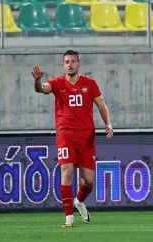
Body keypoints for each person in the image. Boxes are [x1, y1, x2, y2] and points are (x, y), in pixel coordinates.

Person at [31, 50, 113, 227]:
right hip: (65, 134)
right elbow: (41, 89)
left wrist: (108, 124)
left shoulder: (90, 83)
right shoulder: (57, 83)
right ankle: (69, 217)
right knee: (66, 171)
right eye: (67, 62)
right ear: (63, 65)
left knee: (89, 181)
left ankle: (79, 202)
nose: (70, 64)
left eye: (73, 61)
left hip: (86, 138)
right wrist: (37, 80)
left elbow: (101, 104)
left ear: (79, 63)